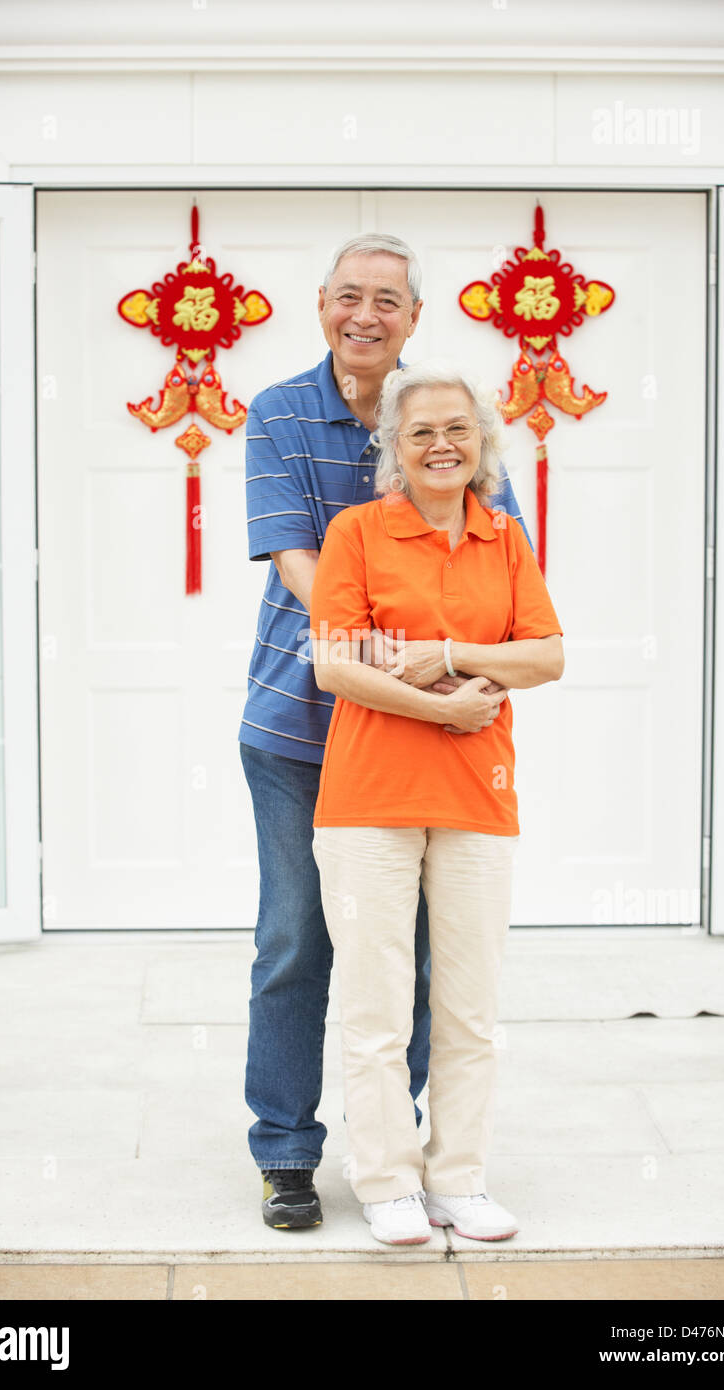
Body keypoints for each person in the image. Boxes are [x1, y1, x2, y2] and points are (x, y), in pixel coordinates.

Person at [239, 235, 528, 1230]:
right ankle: (283, 1151)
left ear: (412, 318)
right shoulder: (278, 412)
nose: (365, 316)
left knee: (413, 954)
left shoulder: (440, 415)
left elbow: (504, 564)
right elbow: (293, 560)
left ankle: (400, 1158)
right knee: (295, 941)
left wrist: (436, 661)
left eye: (387, 303)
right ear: (321, 304)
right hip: (299, 724)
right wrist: (388, 648)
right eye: (347, 298)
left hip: (427, 736)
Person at [309, 359, 564, 1245]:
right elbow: (335, 661)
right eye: (420, 431)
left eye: (457, 428)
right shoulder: (357, 532)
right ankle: (385, 1180)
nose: (441, 444)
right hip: (368, 799)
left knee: (468, 1008)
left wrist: (448, 653)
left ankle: (458, 1178)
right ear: (392, 447)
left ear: (483, 441)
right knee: (377, 1006)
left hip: (477, 796)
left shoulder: (504, 538)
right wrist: (445, 703)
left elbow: (548, 655)